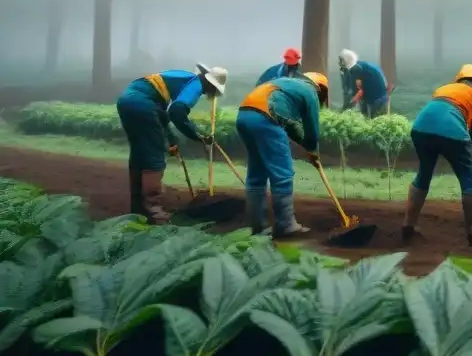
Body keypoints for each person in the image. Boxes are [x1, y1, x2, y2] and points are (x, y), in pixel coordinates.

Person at [115, 63, 229, 224]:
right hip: (143, 104)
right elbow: (177, 112)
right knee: (154, 157)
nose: (208, 93)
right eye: (212, 90)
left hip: (127, 100)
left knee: (139, 153)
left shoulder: (183, 78)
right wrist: (198, 135)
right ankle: (154, 211)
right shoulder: (196, 85)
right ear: (210, 84)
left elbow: (162, 115)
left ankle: (137, 208)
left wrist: (172, 141)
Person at [402, 64, 472, 247]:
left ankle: (407, 226)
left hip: (420, 129)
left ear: (459, 80)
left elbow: (437, 112)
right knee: (468, 180)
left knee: (424, 174)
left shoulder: (443, 89)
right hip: (453, 134)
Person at [235, 71, 329, 237]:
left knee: (257, 173)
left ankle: (259, 227)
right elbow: (312, 129)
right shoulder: (310, 92)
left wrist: (308, 148)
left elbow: (291, 126)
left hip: (244, 116)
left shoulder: (286, 83)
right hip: (266, 118)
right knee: (282, 174)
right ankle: (286, 224)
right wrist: (313, 150)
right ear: (320, 88)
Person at [338, 48, 390, 118]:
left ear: (346, 60)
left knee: (377, 122)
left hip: (378, 99)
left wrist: (347, 107)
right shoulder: (361, 65)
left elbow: (359, 92)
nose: (339, 63)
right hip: (377, 97)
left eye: (341, 61)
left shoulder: (356, 69)